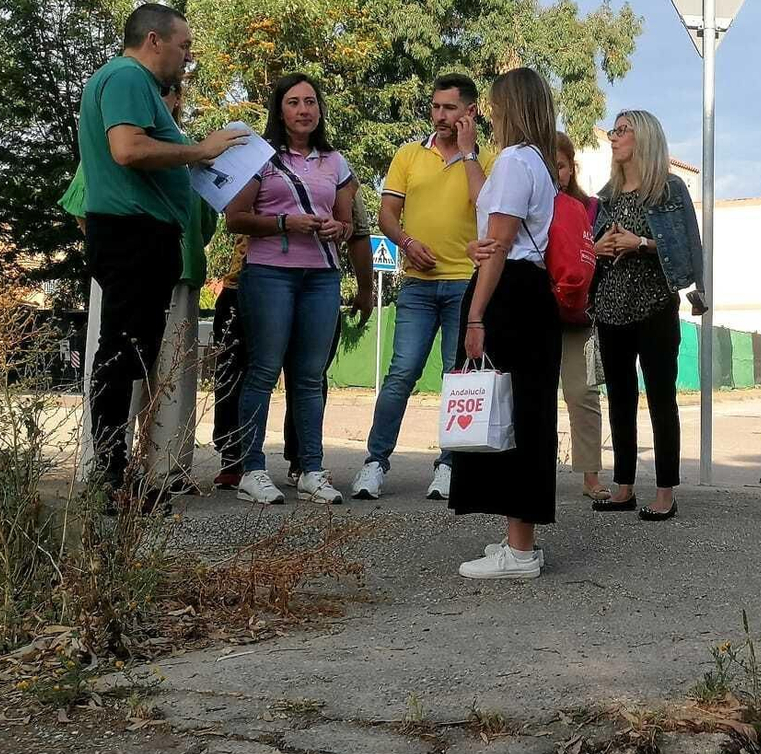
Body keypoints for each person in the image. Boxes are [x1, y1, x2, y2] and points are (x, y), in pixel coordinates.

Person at [77, 2, 246, 504]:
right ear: (155, 40)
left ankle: (120, 476)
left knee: (133, 355)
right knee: (123, 354)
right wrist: (201, 150)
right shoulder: (128, 77)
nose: (187, 57)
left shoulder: (133, 84)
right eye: (184, 45)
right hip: (132, 235)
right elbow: (127, 149)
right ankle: (111, 480)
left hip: (144, 236)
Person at [63, 79, 219, 497]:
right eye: (158, 93)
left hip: (179, 271)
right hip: (122, 269)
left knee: (172, 376)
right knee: (118, 363)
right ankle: (106, 467)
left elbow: (204, 222)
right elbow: (84, 210)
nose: (167, 101)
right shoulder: (113, 144)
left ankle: (166, 472)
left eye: (172, 94)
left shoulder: (189, 154)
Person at [350, 73, 495, 502]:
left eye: (449, 108)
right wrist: (407, 242)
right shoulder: (408, 155)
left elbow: (486, 205)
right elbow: (387, 215)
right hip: (416, 285)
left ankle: (450, 466)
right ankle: (375, 463)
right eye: (435, 107)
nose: (439, 115)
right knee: (401, 374)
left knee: (459, 380)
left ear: (470, 112)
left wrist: (469, 155)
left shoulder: (488, 159)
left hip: (465, 285)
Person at [223, 72, 357, 505]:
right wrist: (285, 222)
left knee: (310, 376)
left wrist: (339, 227)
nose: (304, 110)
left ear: (320, 110)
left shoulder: (335, 162)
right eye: (294, 102)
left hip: (321, 275)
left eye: (311, 102)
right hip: (269, 274)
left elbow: (348, 222)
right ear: (280, 110)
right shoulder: (261, 158)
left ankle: (311, 469)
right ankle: (252, 468)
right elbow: (235, 218)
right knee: (262, 370)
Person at [449, 66, 561, 580]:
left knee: (509, 414)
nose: (489, 114)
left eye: (494, 106)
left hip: (507, 297)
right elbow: (493, 226)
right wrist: (471, 155)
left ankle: (519, 551)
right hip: (526, 292)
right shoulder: (533, 162)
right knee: (521, 411)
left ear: (510, 107)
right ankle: (519, 542)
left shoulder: (516, 161)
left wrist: (475, 314)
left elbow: (496, 247)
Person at [209, 196, 374, 490]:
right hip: (248, 282)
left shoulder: (336, 172)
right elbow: (232, 214)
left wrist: (365, 288)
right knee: (239, 373)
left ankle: (304, 462)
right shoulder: (257, 163)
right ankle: (236, 458)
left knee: (308, 375)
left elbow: (357, 232)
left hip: (315, 283)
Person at [590, 110, 706, 522]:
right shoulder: (606, 195)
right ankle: (622, 487)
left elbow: (690, 250)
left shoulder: (669, 190)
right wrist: (601, 248)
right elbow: (591, 250)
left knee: (661, 398)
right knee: (619, 399)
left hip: (655, 308)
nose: (614, 137)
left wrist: (639, 242)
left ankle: (664, 492)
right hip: (610, 308)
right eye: (614, 131)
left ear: (644, 138)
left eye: (622, 130)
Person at [553, 130, 608, 501]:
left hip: (578, 314)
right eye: (547, 165)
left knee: (582, 392)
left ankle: (591, 476)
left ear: (571, 169)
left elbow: (604, 258)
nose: (554, 173)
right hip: (537, 311)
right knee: (530, 396)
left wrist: (598, 249)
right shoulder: (528, 205)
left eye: (559, 165)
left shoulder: (592, 208)